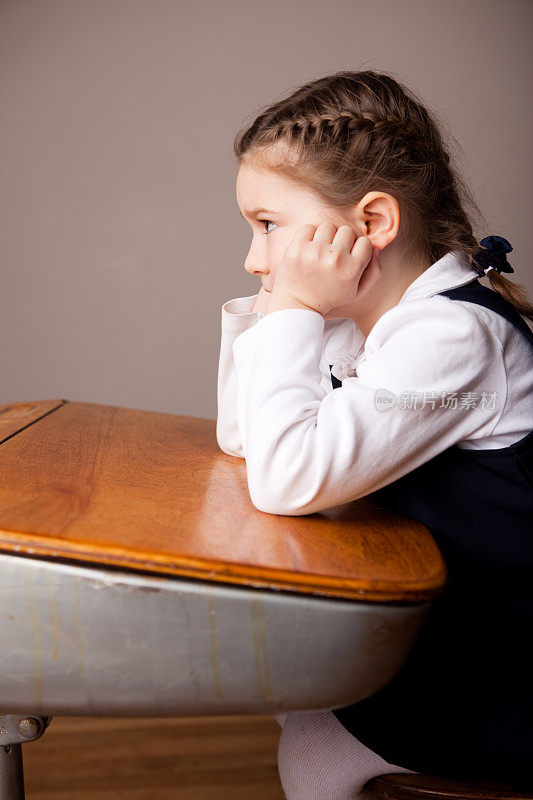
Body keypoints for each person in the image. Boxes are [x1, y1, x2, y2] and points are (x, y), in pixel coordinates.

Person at [216, 70, 533, 799]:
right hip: (435, 635)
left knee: (314, 746)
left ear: (371, 225)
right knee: (293, 686)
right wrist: (282, 307)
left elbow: (287, 479)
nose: (252, 257)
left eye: (267, 225)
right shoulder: (360, 325)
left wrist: (289, 309)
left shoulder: (452, 334)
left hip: (500, 667)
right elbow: (246, 439)